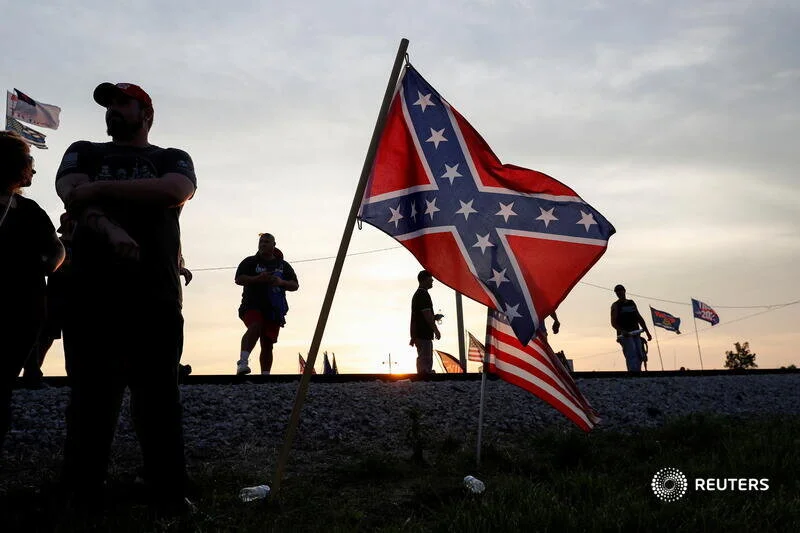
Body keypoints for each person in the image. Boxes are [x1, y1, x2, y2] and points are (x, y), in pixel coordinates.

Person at [54, 82, 197, 512]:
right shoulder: (84, 151)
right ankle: (81, 492)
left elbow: (175, 189)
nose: (113, 110)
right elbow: (72, 193)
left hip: (155, 294)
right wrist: (106, 222)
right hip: (92, 294)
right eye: (108, 105)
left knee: (159, 400)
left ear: (146, 113)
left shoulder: (172, 157)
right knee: (90, 399)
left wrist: (97, 193)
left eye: (122, 102)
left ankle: (169, 491)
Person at [0, 131, 65, 449]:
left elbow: (56, 251)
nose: (33, 169)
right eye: (29, 161)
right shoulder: (28, 212)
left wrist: (48, 263)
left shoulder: (30, 211)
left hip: (22, 315)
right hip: (20, 312)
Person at [22, 212, 75, 389]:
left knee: (72, 341)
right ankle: (33, 374)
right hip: (54, 297)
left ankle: (74, 377)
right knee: (44, 338)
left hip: (72, 298)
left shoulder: (82, 244)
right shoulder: (56, 245)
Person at [235, 233, 299, 375]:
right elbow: (239, 279)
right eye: (261, 241)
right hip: (251, 304)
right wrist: (258, 278)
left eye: (266, 241)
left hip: (274, 309)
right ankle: (242, 362)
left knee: (267, 342)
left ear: (273, 244)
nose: (263, 244)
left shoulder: (283, 265)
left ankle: (265, 375)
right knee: (255, 326)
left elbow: (295, 285)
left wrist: (281, 282)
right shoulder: (250, 261)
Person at [610, 284, 652, 373]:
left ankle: (638, 371)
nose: (619, 292)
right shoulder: (616, 305)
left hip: (636, 332)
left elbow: (639, 317)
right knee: (631, 353)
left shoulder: (631, 303)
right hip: (625, 335)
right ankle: (633, 373)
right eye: (617, 291)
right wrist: (622, 331)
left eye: (621, 290)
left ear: (624, 291)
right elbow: (613, 322)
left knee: (640, 354)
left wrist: (647, 332)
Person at [409, 270, 441, 374]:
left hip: (420, 334)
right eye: (430, 278)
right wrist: (436, 330)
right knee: (425, 361)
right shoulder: (422, 295)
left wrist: (434, 317)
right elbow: (426, 315)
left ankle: (424, 376)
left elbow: (421, 315)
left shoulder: (419, 294)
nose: (432, 280)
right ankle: (423, 377)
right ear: (424, 280)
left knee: (424, 359)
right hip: (423, 334)